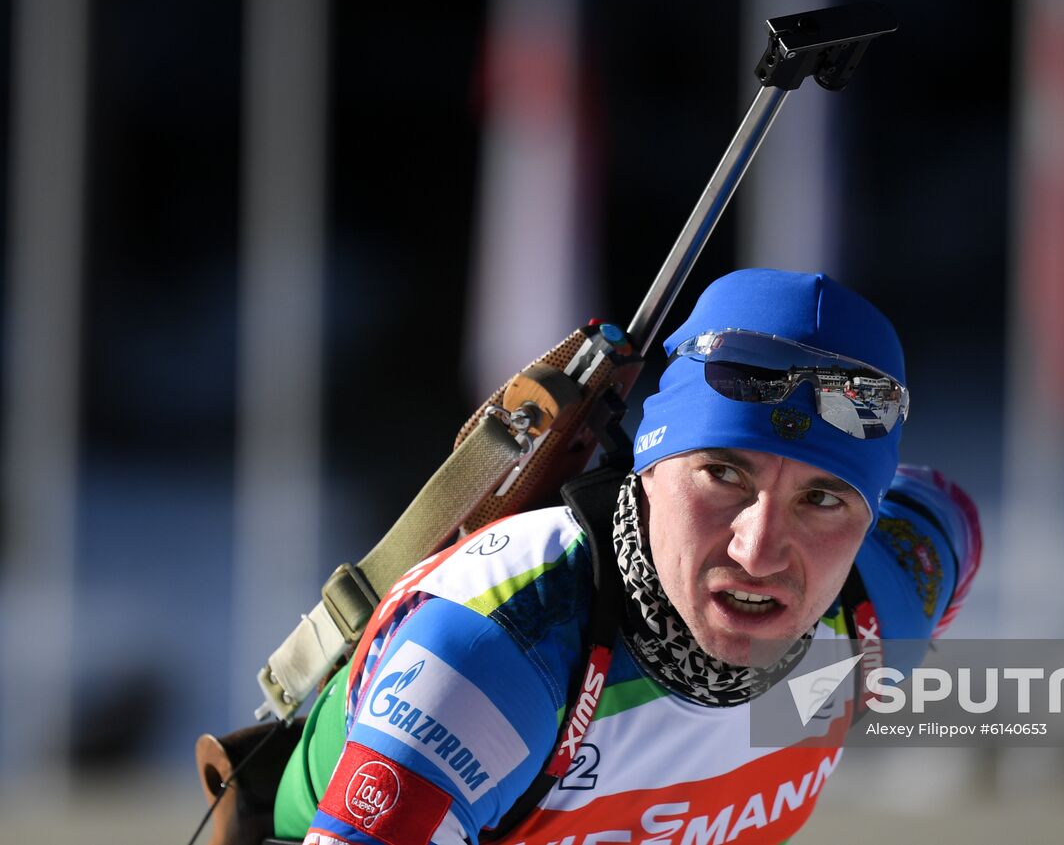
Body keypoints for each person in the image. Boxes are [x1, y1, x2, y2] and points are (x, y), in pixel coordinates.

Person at [272, 268, 982, 845]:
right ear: (647, 465)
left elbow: (952, 517)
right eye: (724, 475)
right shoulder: (500, 647)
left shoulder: (874, 610)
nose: (760, 551)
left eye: (822, 500)